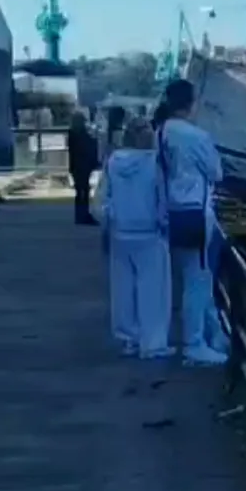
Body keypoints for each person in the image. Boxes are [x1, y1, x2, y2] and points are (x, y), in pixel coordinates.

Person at [158, 79, 229, 366]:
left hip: (173, 211)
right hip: (196, 214)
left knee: (194, 277)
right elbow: (216, 172)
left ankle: (215, 335)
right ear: (190, 103)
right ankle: (194, 344)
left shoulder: (162, 131)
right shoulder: (196, 136)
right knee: (198, 281)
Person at [100, 118, 174, 359]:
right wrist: (164, 222)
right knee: (153, 290)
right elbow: (162, 198)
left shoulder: (113, 162)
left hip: (120, 232)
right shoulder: (154, 164)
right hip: (149, 232)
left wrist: (109, 220)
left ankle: (128, 338)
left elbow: (102, 198)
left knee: (123, 290)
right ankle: (152, 344)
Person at [67, 112, 100, 225]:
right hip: (83, 165)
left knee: (79, 191)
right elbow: (88, 146)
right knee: (84, 191)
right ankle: (84, 215)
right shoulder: (81, 134)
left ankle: (79, 215)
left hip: (75, 166)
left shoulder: (72, 134)